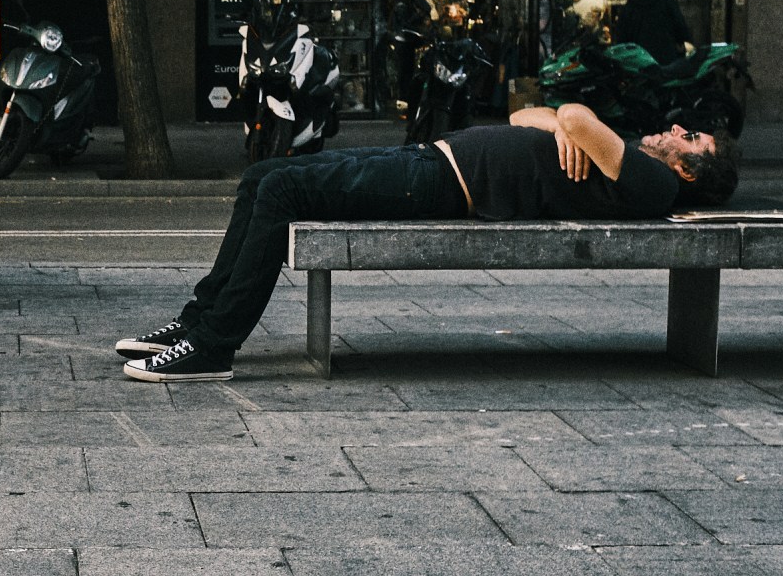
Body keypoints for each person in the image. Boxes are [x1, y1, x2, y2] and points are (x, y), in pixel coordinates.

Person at [116, 103, 740, 383]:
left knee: (281, 193)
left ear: (690, 172)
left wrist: (565, 124)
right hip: (428, 162)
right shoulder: (629, 164)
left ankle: (214, 346)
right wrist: (556, 123)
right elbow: (529, 113)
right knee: (263, 177)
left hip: (437, 183)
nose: (679, 130)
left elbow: (572, 114)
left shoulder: (655, 183)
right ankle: (196, 324)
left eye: (694, 141)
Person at [615, 0, 691, 65]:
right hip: (667, 59)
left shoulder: (629, 9)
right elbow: (682, 30)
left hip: (639, 62)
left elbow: (621, 40)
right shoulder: (667, 3)